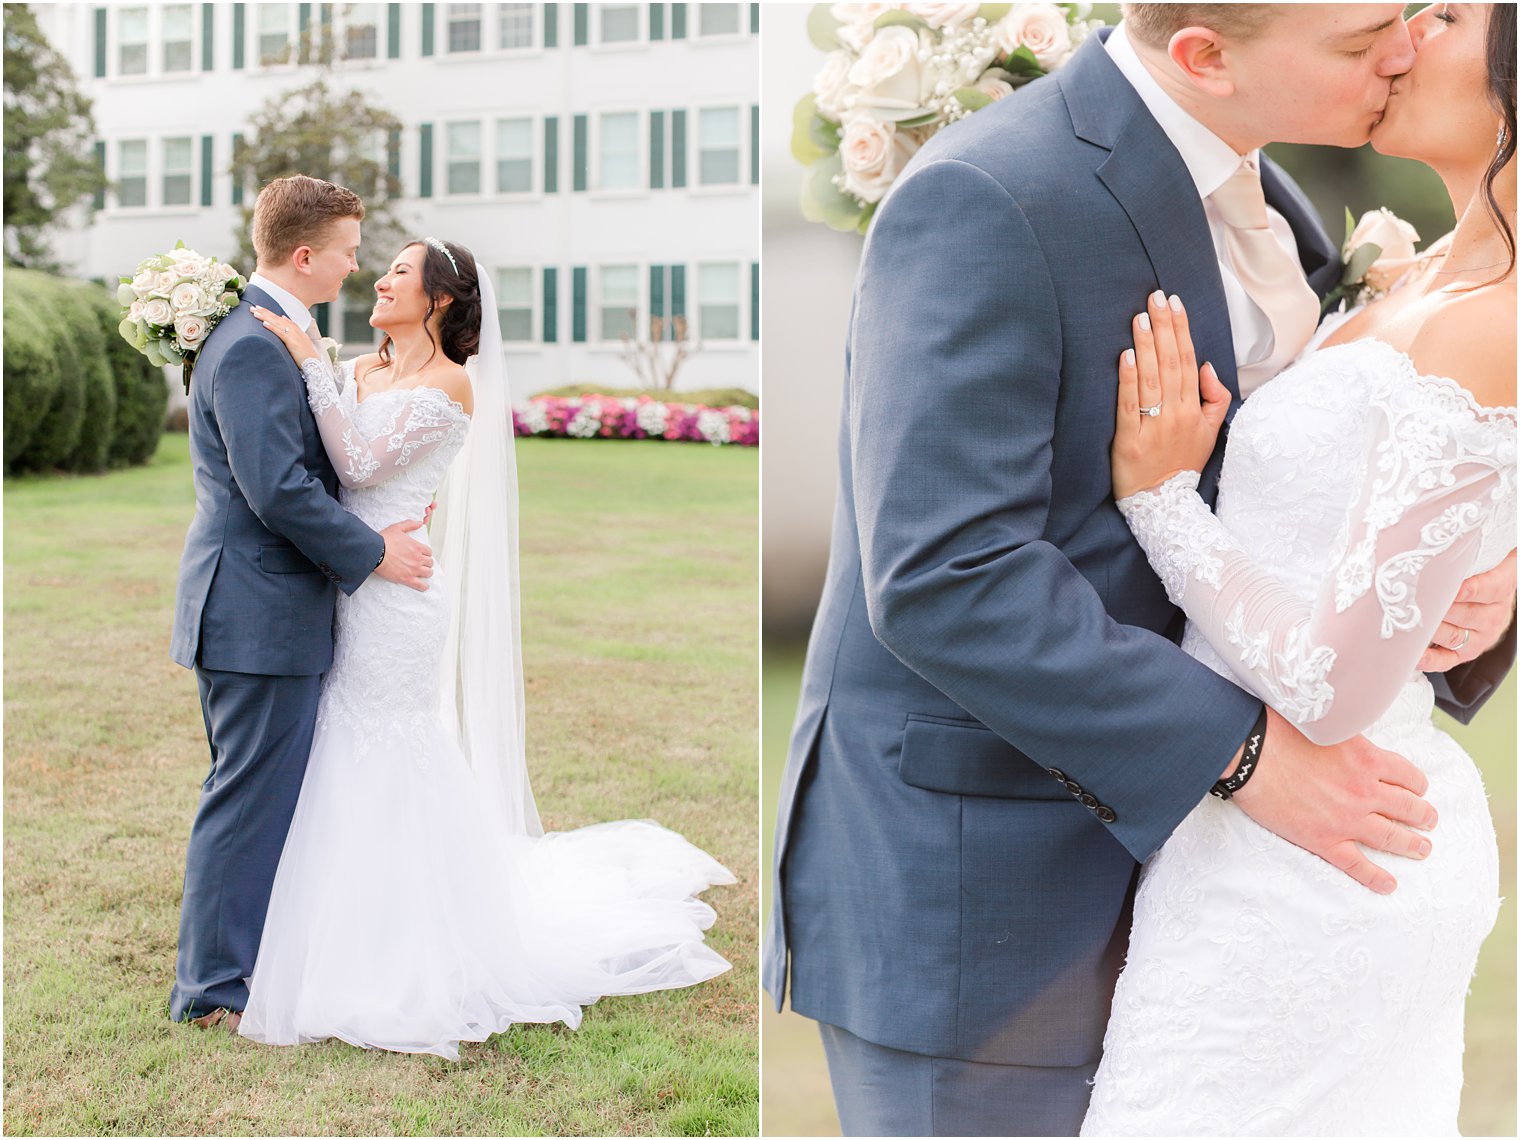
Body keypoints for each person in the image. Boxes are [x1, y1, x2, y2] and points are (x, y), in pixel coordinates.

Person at [763, 4, 1516, 1135]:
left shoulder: (1282, 206)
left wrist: (1478, 584)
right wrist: (1241, 751)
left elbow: (1365, 488)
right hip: (996, 892)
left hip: (1259, 890)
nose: (1400, 50)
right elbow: (944, 570)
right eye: (1363, 44)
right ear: (1206, 56)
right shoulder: (990, 191)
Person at [1084, 4, 1515, 1132]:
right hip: (1259, 850)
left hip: (1327, 854)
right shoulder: (1414, 275)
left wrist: (1159, 502)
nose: (1405, 35)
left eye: (1450, 14)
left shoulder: (1483, 323)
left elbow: (1332, 688)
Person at [234, 238, 734, 1058]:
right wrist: (324, 369)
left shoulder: (448, 383)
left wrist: (307, 359)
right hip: (347, 580)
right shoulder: (356, 370)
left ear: (435, 299)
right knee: (333, 738)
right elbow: (316, 475)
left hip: (398, 602)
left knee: (384, 742)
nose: (380, 277)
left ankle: (398, 944)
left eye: (399, 269)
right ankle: (326, 922)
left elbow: (358, 464)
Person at [168, 175, 433, 1029]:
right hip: (256, 612)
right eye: (353, 253)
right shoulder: (250, 343)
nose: (359, 269)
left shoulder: (265, 331)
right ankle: (212, 990)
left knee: (254, 792)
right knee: (246, 797)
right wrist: (375, 553)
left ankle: (243, 966)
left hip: (260, 607)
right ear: (308, 254)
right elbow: (276, 489)